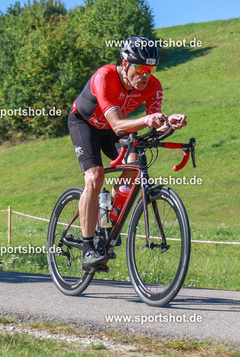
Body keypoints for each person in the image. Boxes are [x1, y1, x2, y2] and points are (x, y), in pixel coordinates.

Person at [68, 36, 187, 270]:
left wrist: (168, 123)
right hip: (85, 124)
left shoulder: (154, 86)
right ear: (125, 64)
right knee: (95, 175)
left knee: (134, 163)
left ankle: (108, 216)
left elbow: (154, 126)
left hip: (114, 129)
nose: (146, 75)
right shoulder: (104, 77)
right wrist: (147, 119)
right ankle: (88, 248)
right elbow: (117, 124)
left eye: (151, 70)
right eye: (141, 68)